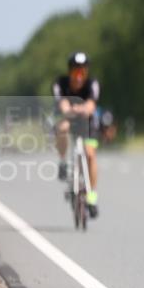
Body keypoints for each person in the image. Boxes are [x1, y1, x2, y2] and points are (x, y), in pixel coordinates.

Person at [53, 52, 101, 217]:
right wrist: (71, 110)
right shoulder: (61, 83)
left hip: (87, 122)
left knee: (90, 155)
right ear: (70, 72)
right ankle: (62, 162)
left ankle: (92, 195)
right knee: (62, 129)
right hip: (69, 118)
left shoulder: (92, 83)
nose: (79, 76)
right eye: (75, 72)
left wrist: (82, 109)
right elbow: (63, 105)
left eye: (82, 72)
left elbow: (90, 106)